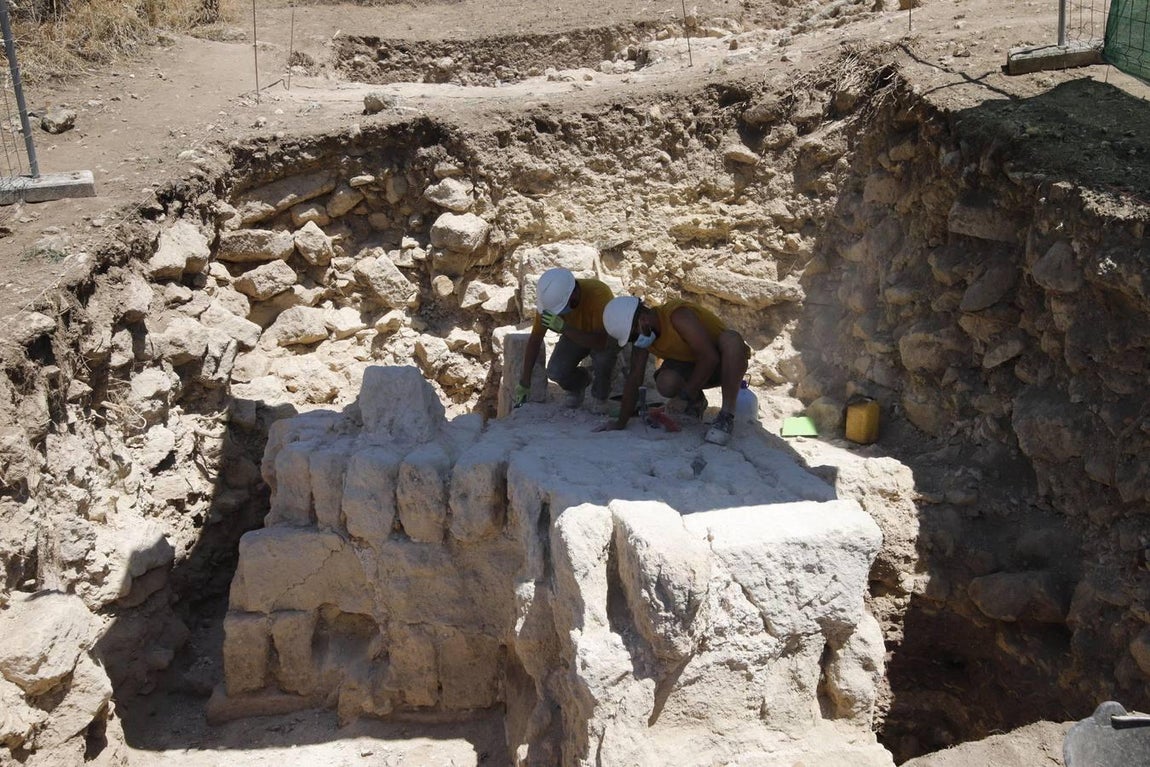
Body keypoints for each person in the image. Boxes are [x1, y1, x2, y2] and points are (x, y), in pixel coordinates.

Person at [595, 295, 749, 446]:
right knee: (666, 382)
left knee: (731, 340)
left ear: (643, 319)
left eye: (632, 336)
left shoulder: (677, 316)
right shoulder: (645, 335)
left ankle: (726, 415)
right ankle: (696, 403)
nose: (635, 341)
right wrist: (620, 422)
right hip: (695, 366)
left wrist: (684, 395)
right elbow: (635, 376)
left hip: (725, 366)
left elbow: (710, 358)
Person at [513, 268, 617, 412]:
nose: (560, 313)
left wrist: (564, 328)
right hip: (574, 335)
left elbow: (602, 342)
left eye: (561, 308)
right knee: (556, 371)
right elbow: (535, 339)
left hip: (601, 335)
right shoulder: (549, 304)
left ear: (574, 293)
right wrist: (525, 382)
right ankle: (580, 383)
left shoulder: (599, 294)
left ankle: (600, 397)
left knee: (603, 359)